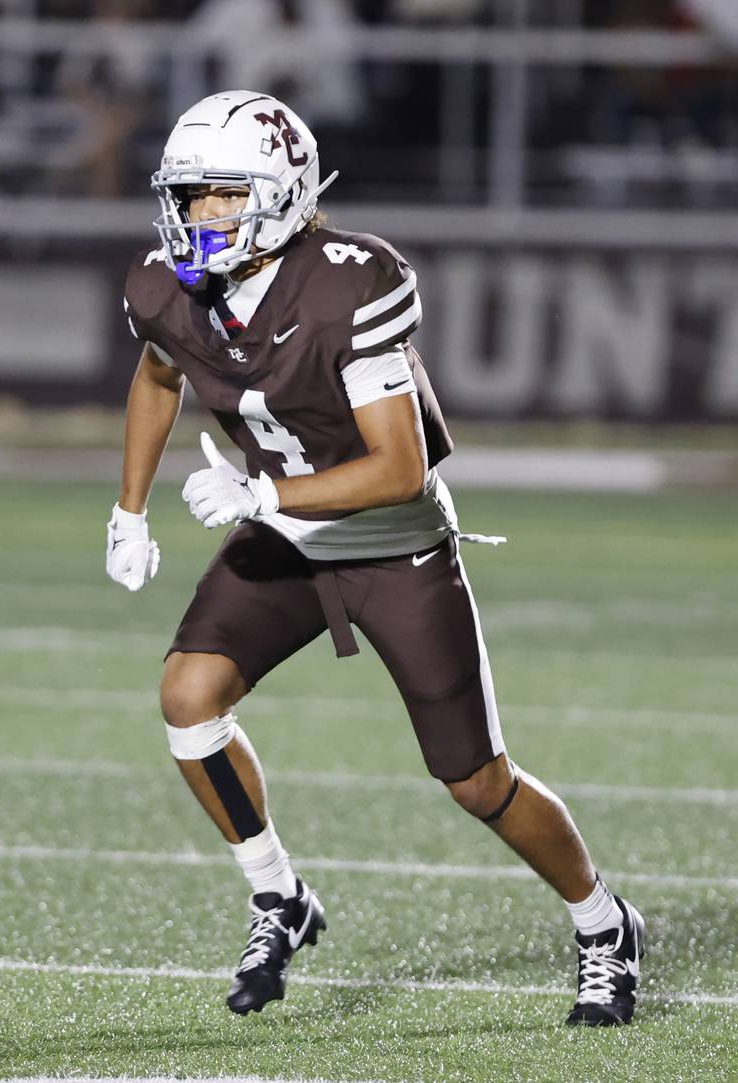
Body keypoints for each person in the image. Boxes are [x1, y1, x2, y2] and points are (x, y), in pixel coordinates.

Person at [107, 89, 645, 1025]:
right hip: (282, 532)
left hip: (392, 544)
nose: (200, 219)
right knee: (188, 699)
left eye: (224, 197)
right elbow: (158, 370)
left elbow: (396, 469)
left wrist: (260, 493)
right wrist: (128, 508)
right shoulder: (166, 285)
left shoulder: (350, 279)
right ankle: (278, 894)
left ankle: (604, 923)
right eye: (190, 198)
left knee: (476, 779)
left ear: (282, 193)